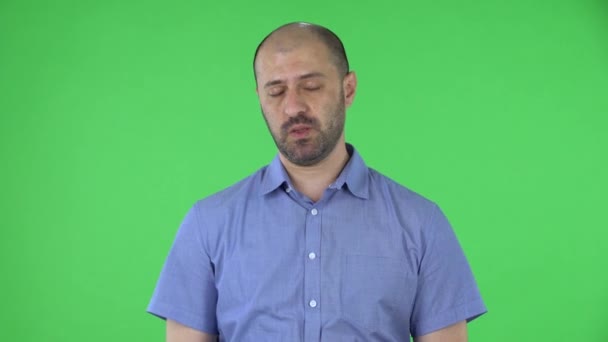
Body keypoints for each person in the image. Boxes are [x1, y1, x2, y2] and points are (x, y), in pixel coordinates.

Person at [147, 22, 487, 342]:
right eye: (275, 91)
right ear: (259, 99)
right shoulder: (208, 223)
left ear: (348, 89)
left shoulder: (422, 223)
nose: (293, 106)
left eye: (310, 86)